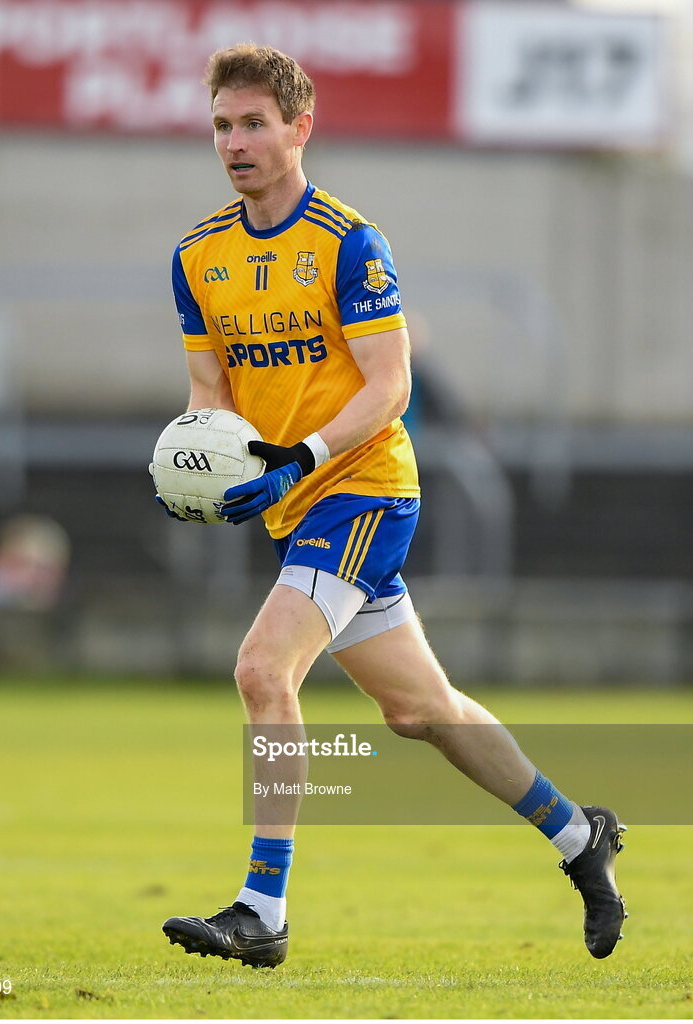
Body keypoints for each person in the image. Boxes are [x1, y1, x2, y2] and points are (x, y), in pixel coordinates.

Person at [157, 44, 627, 969]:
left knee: (261, 671)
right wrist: (197, 473)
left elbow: (390, 385)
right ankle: (581, 837)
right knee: (421, 712)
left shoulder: (347, 241)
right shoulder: (196, 255)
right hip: (296, 506)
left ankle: (261, 911)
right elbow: (208, 392)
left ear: (300, 126)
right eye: (221, 125)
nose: (234, 142)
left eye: (253, 123)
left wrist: (301, 457)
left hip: (365, 489)